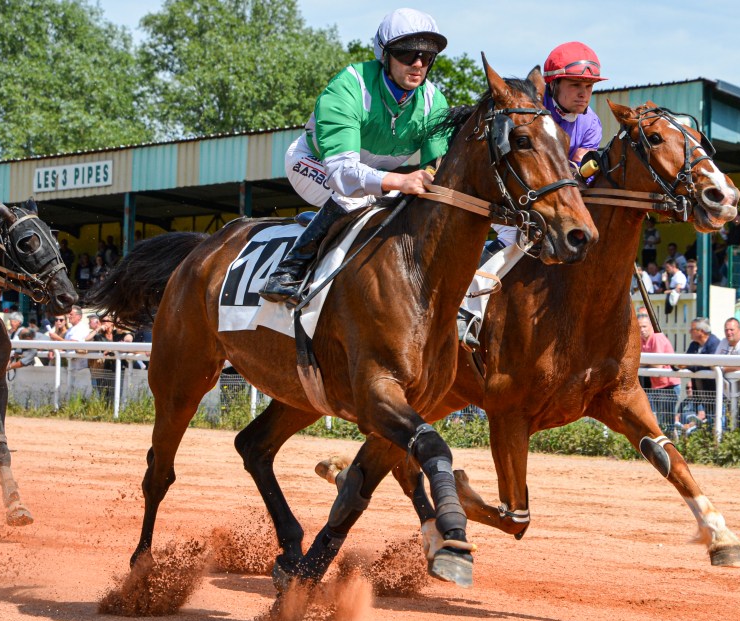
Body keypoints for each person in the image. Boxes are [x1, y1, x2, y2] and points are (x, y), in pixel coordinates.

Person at [259, 8, 450, 305]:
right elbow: (343, 174)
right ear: (384, 54)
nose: (417, 64)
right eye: (407, 54)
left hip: (372, 176)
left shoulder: (434, 102)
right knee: (354, 197)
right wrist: (400, 181)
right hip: (315, 163)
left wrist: (427, 177)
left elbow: (437, 166)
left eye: (426, 57)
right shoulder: (350, 85)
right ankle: (288, 271)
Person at [460, 40, 608, 346]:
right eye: (576, 85)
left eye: (589, 87)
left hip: (555, 197)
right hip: (513, 196)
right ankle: (466, 307)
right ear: (553, 85)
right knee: (515, 237)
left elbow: (577, 169)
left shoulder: (592, 123)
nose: (584, 94)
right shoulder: (533, 108)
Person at [637, 314, 680, 430]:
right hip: (656, 385)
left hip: (669, 385)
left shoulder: (657, 337)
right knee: (660, 422)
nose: (642, 330)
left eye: (644, 326)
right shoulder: (641, 340)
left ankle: (671, 439)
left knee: (667, 422)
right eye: (639, 327)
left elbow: (657, 365)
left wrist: (643, 362)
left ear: (651, 326)